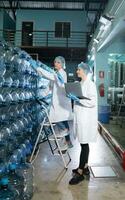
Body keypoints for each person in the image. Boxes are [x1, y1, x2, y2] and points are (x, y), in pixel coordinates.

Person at [67, 62, 98, 185]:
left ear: (84, 71)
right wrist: (73, 97)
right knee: (83, 144)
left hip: (86, 119)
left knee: (84, 144)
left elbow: (92, 102)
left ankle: (79, 173)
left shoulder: (90, 85)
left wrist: (78, 99)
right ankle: (84, 167)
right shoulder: (79, 84)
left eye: (78, 70)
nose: (77, 71)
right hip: (80, 118)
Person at [36, 56, 73, 148]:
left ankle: (64, 131)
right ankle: (68, 142)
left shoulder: (62, 73)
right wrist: (41, 95)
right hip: (58, 102)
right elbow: (50, 86)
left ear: (62, 64)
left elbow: (52, 77)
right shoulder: (57, 74)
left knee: (57, 118)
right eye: (55, 62)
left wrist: (39, 69)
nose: (55, 64)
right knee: (61, 118)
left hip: (61, 101)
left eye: (58, 62)